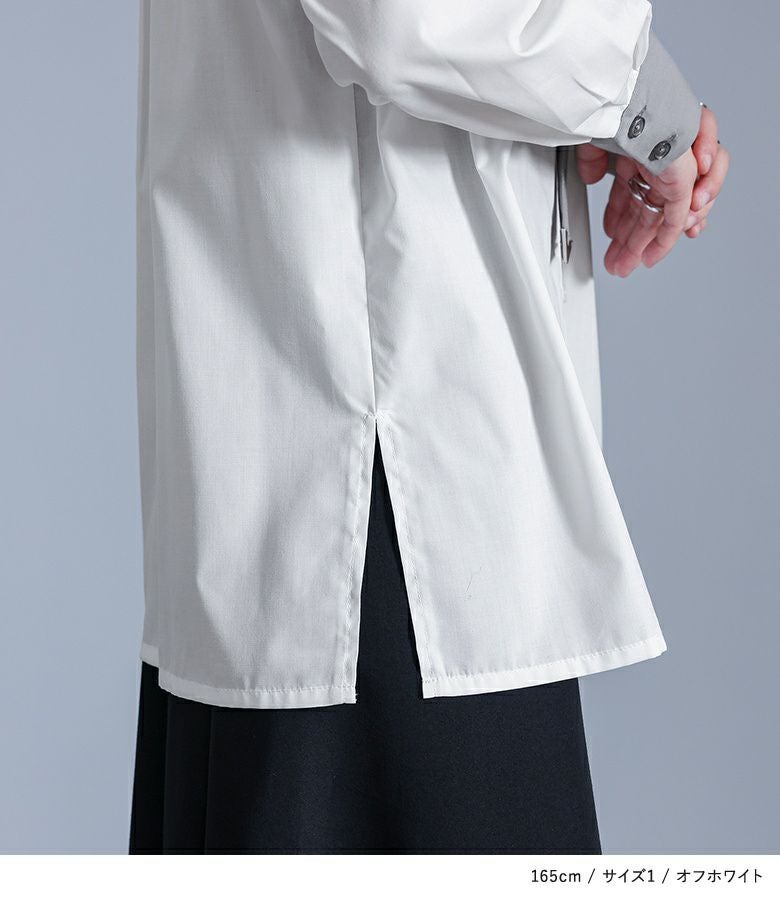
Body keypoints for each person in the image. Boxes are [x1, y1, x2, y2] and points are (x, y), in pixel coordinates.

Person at [129, 1, 729, 853]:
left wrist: (594, 104)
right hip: (393, 482)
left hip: (329, 462)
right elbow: (399, 19)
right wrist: (633, 84)